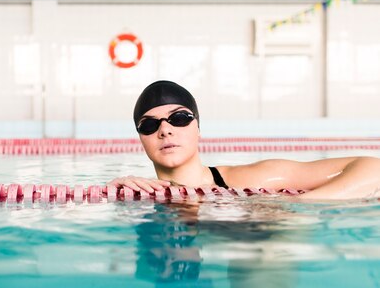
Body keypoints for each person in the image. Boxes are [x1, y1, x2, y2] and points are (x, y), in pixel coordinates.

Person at [109, 80, 380, 200]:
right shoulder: (142, 194)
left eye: (179, 118)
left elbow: (373, 168)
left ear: (199, 129)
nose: (165, 130)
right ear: (140, 139)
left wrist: (300, 206)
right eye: (149, 125)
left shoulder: (255, 178)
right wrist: (113, 195)